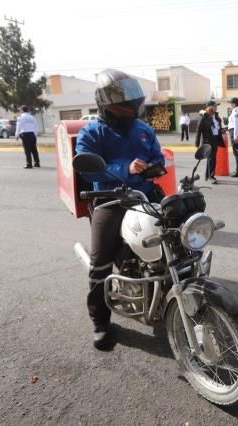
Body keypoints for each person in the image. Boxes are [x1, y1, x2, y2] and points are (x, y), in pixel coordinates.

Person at [75, 69, 165, 349]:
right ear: (107, 102)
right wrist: (124, 168)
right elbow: (88, 172)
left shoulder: (143, 129)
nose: (130, 104)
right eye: (123, 99)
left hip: (144, 194)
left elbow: (157, 156)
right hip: (110, 199)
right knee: (100, 263)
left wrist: (153, 167)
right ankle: (100, 322)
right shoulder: (92, 132)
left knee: (178, 236)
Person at [195, 100, 223, 184]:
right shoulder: (203, 116)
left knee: (212, 158)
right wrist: (197, 143)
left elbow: (217, 127)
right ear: (209, 107)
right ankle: (211, 176)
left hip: (215, 139)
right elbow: (198, 130)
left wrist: (222, 130)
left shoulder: (216, 116)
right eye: (214, 106)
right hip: (207, 140)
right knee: (211, 158)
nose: (216, 107)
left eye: (216, 106)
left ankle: (208, 176)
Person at [228, 97, 238, 177]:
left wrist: (235, 136)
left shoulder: (236, 111)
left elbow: (236, 125)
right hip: (235, 132)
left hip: (235, 132)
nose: (230, 105)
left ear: (234, 104)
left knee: (236, 153)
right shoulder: (236, 111)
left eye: (231, 103)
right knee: (237, 153)